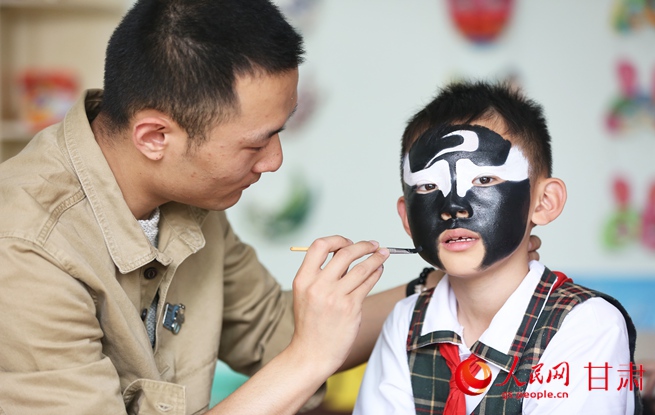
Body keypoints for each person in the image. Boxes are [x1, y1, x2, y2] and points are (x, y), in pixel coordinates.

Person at [0, 1, 542, 414]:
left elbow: (275, 331)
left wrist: (438, 284)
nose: (275, 161)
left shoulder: (189, 202)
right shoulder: (26, 251)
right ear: (154, 136)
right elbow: (300, 351)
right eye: (256, 143)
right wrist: (309, 358)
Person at [354, 80, 642, 414]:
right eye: (429, 186)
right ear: (407, 219)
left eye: (483, 180)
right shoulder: (405, 322)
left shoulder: (585, 324)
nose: (453, 207)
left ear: (544, 202)